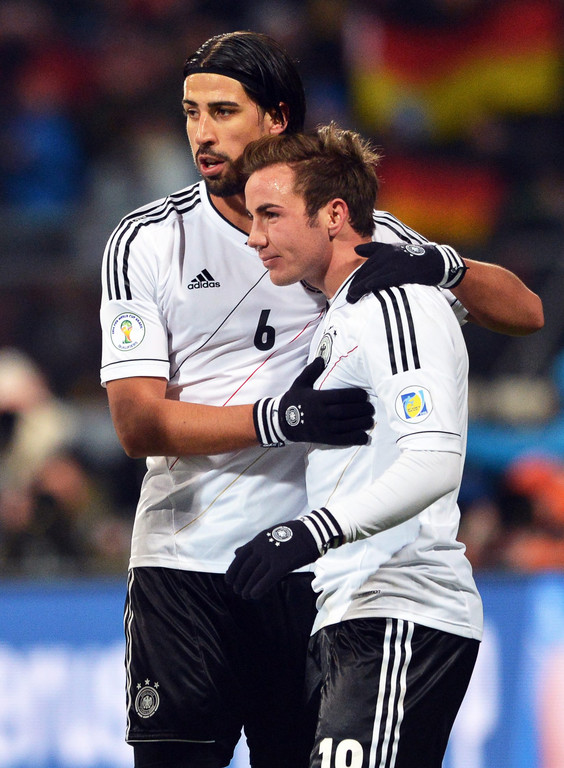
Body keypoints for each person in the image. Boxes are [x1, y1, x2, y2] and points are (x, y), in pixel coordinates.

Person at [99, 30, 543, 768]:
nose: (202, 133)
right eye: (190, 112)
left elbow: (524, 311)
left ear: (277, 119)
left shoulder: (348, 236)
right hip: (185, 563)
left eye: (222, 111)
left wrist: (441, 262)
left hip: (312, 567)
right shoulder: (148, 240)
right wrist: (280, 418)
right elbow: (136, 422)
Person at [227, 123, 484, 768]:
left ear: (334, 214)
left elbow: (435, 460)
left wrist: (308, 532)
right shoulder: (340, 317)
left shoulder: (395, 303)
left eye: (270, 214)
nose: (253, 236)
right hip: (350, 609)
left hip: (400, 604)